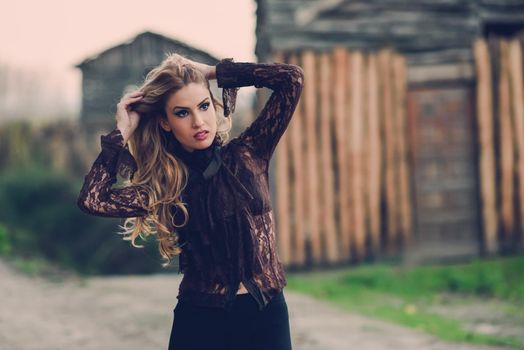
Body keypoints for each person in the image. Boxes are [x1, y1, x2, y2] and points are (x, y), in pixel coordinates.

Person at [77, 53, 304, 350]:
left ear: (213, 104)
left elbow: (292, 79)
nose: (199, 121)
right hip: (201, 320)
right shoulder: (165, 184)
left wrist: (214, 72)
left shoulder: (249, 154)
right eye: (182, 113)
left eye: (204, 106)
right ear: (166, 122)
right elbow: (93, 200)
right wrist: (123, 130)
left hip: (265, 316)